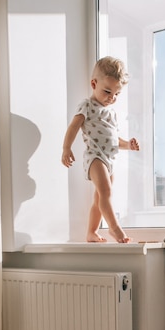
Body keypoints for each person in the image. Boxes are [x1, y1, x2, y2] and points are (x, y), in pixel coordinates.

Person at [62, 56, 140, 243]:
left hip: (109, 159)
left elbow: (113, 139)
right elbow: (73, 126)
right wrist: (66, 148)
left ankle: (91, 232)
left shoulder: (111, 113)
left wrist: (127, 145)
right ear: (93, 84)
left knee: (99, 199)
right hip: (95, 157)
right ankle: (115, 229)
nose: (111, 98)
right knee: (106, 193)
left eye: (116, 94)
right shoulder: (87, 106)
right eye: (107, 91)